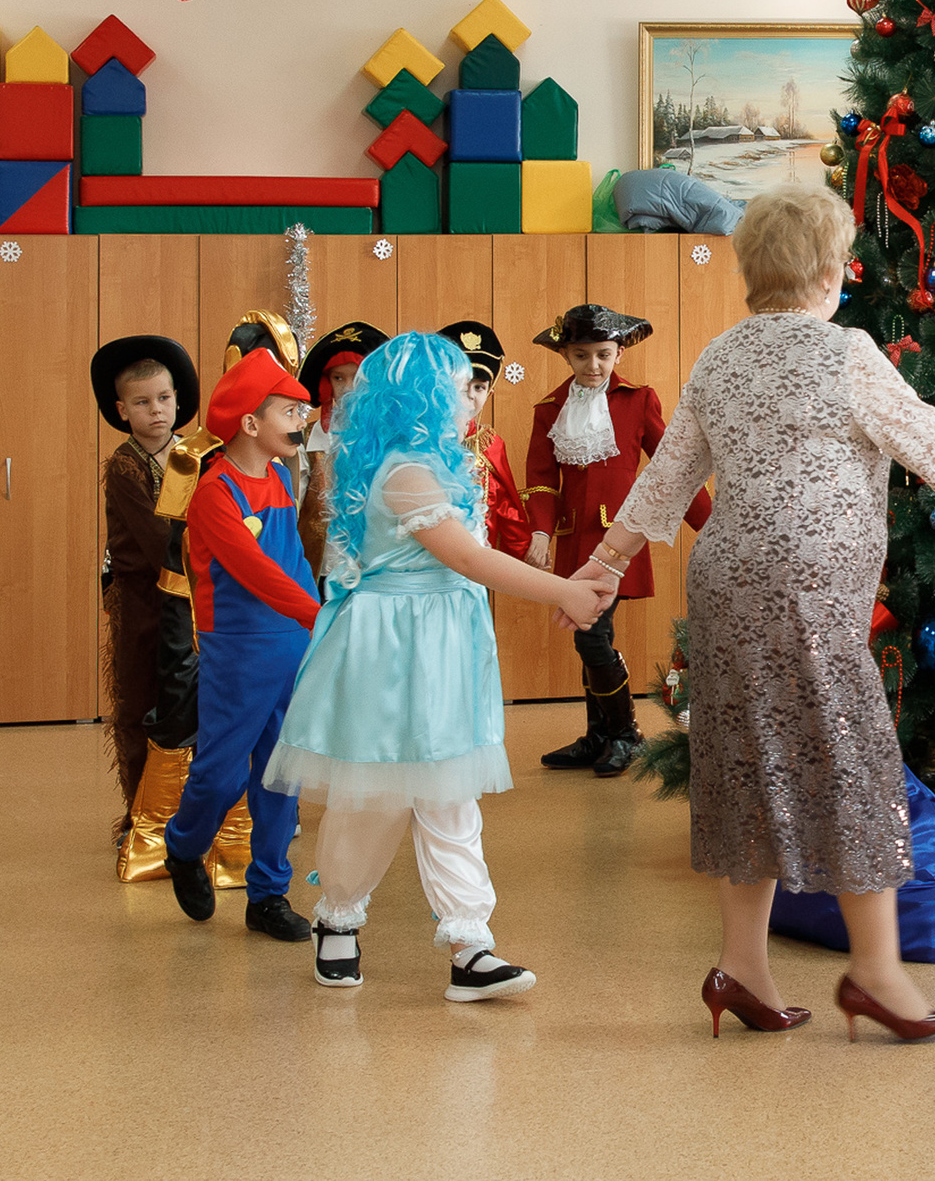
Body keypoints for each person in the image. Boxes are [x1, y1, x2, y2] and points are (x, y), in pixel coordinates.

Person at [575, 184, 935, 1043]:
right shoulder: (847, 353)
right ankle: (876, 973)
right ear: (832, 273)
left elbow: (669, 474)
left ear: (751, 271)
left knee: (747, 763)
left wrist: (605, 562)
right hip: (808, 593)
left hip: (726, 583)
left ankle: (742, 967)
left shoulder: (720, 356)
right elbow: (934, 441)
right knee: (854, 763)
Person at [263, 333, 617, 1003]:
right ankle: (337, 918)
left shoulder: (440, 465)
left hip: (442, 644)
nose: (470, 401)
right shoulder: (405, 473)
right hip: (394, 648)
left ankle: (469, 944)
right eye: (458, 390)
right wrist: (564, 591)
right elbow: (468, 558)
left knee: (450, 792)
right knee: (375, 794)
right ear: (419, 398)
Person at [160, 349, 321, 943]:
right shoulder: (214, 493)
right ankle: (184, 846)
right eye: (289, 411)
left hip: (291, 645)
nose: (301, 421)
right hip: (238, 651)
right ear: (250, 423)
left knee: (282, 776)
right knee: (222, 776)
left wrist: (316, 624)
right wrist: (320, 616)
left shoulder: (278, 477)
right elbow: (254, 571)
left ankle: (268, 895)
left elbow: (293, 560)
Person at [525, 303, 712, 778]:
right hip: (573, 540)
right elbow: (541, 478)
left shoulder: (639, 400)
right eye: (581, 355)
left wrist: (712, 528)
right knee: (588, 636)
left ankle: (625, 733)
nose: (593, 365)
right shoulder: (548, 409)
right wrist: (540, 530)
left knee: (592, 636)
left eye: (603, 354)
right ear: (565, 355)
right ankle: (601, 736)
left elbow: (672, 472)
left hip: (618, 541)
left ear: (618, 353)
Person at [93, 333, 204, 880]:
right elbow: (158, 534)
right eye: (142, 402)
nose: (155, 410)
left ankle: (187, 810)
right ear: (122, 411)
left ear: (178, 399)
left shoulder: (198, 454)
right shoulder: (125, 466)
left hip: (193, 598)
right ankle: (140, 815)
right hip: (142, 600)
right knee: (140, 701)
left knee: (189, 701)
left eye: (163, 398)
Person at [296, 321, 390, 579]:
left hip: (377, 568)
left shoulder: (391, 439)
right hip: (321, 567)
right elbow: (293, 503)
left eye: (357, 378)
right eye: (339, 378)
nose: (348, 388)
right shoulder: (307, 440)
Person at [437, 320, 534, 556]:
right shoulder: (419, 438)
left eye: (479, 387)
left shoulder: (490, 444)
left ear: (490, 393)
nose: (470, 395)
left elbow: (506, 505)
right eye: (462, 385)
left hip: (478, 556)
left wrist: (521, 548)